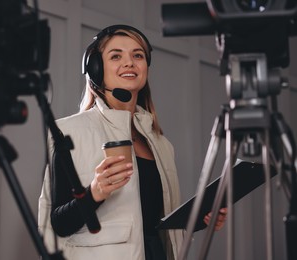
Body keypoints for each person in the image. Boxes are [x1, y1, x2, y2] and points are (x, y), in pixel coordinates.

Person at [38, 24, 227, 260]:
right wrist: (95, 192)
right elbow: (58, 224)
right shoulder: (68, 132)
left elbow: (150, 220)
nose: (129, 63)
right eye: (116, 55)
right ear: (95, 69)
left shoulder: (161, 143)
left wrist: (198, 219)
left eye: (138, 55)